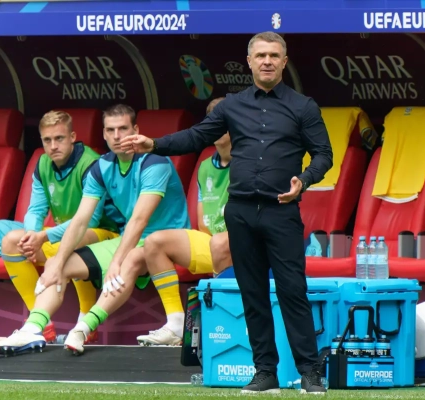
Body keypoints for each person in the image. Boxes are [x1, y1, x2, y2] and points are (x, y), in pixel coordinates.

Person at [122, 32, 333, 394]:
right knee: (252, 294)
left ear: (284, 62)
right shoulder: (232, 106)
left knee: (293, 292)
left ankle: (310, 372)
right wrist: (154, 144)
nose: (267, 61)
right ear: (249, 62)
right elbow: (196, 137)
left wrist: (305, 180)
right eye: (260, 55)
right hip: (241, 212)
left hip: (281, 211)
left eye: (274, 55)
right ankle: (265, 372)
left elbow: (324, 155)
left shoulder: (303, 106)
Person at [0, 104, 191, 356]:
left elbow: (138, 220)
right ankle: (34, 328)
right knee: (60, 264)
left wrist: (116, 260)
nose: (117, 136)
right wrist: (56, 261)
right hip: (131, 239)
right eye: (110, 130)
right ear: (103, 134)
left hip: (165, 240)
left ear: (136, 130)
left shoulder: (154, 161)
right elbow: (80, 219)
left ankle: (84, 326)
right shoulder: (102, 166)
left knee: (132, 258)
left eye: (123, 129)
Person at [1, 110, 119, 345]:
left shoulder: (91, 163)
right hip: (62, 236)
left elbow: (91, 220)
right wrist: (32, 235)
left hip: (105, 236)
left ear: (72, 137)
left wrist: (44, 237)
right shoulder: (43, 163)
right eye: (47, 140)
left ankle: (86, 319)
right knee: (12, 241)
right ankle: (39, 323)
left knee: (77, 239)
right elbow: (36, 209)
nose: (53, 146)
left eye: (59, 138)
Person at [136, 97, 232, 347]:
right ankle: (176, 323)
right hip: (213, 243)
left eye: (225, 121)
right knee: (154, 242)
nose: (219, 127)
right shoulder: (205, 167)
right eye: (213, 122)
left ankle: (221, 325)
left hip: (245, 246)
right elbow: (202, 221)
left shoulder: (251, 162)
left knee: (221, 243)